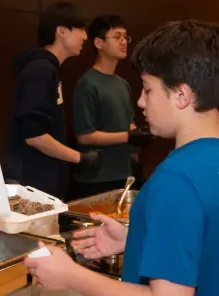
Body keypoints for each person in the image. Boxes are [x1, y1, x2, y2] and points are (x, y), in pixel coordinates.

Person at [25, 19, 219, 296]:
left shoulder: (176, 178)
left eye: (148, 89)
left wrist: (72, 277)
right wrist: (138, 239)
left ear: (181, 95)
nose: (141, 101)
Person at [6, 2, 101, 199]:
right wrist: (79, 158)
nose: (85, 36)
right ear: (61, 31)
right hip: (32, 188)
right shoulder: (40, 70)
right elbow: (35, 136)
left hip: (43, 186)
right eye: (81, 29)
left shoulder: (49, 69)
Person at [70, 15, 153, 199]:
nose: (124, 42)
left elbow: (128, 123)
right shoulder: (87, 84)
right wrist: (129, 136)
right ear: (98, 42)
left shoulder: (123, 84)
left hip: (124, 173)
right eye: (117, 37)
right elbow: (84, 136)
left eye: (125, 37)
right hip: (96, 178)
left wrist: (141, 135)